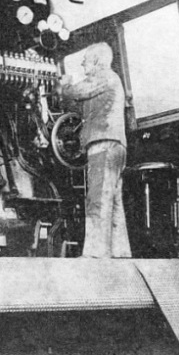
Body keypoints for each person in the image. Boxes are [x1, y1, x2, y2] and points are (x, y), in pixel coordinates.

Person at [59, 42, 131, 258]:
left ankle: (94, 254)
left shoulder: (105, 76)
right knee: (113, 200)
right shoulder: (108, 82)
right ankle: (120, 253)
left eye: (86, 59)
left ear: (98, 61)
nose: (82, 62)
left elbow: (79, 90)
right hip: (114, 145)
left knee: (97, 198)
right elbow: (81, 106)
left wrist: (64, 86)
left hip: (104, 144)